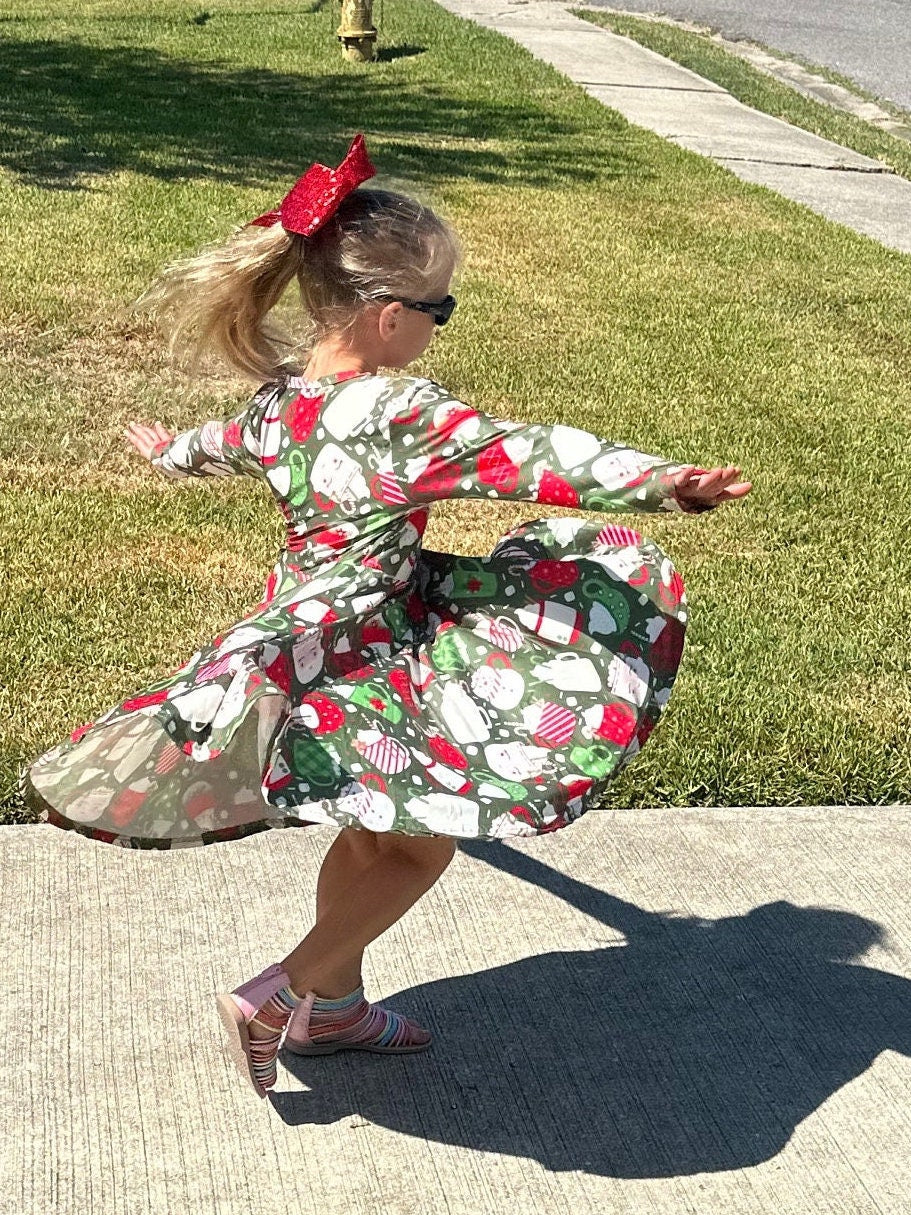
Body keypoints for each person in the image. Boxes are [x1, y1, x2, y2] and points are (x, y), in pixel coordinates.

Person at [18, 134, 752, 1099]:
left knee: (373, 829)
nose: (440, 330)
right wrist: (664, 485)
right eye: (439, 312)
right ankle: (284, 989)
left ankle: (336, 1010)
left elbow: (213, 444)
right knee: (422, 840)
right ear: (391, 316)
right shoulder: (401, 413)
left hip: (301, 638)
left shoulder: (282, 406)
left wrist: (167, 452)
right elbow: (527, 453)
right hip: (377, 643)